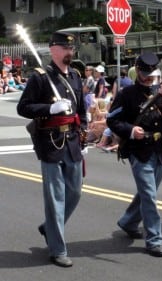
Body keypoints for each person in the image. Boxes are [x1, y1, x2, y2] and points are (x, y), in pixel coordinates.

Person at [16, 31, 88, 267]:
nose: (70, 52)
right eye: (65, 48)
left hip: (73, 142)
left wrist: (84, 133)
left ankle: (49, 227)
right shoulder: (40, 77)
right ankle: (57, 249)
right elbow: (24, 108)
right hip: (51, 143)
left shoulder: (76, 76)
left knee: (75, 193)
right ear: (53, 50)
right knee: (56, 198)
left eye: (71, 49)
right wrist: (50, 108)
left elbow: (81, 111)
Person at [106, 52, 162, 257]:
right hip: (138, 151)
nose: (148, 77)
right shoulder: (127, 93)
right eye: (144, 73)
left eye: (151, 74)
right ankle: (154, 239)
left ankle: (129, 222)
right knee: (149, 196)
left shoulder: (160, 91)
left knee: (147, 193)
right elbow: (112, 120)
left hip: (158, 149)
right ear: (137, 71)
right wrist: (130, 130)